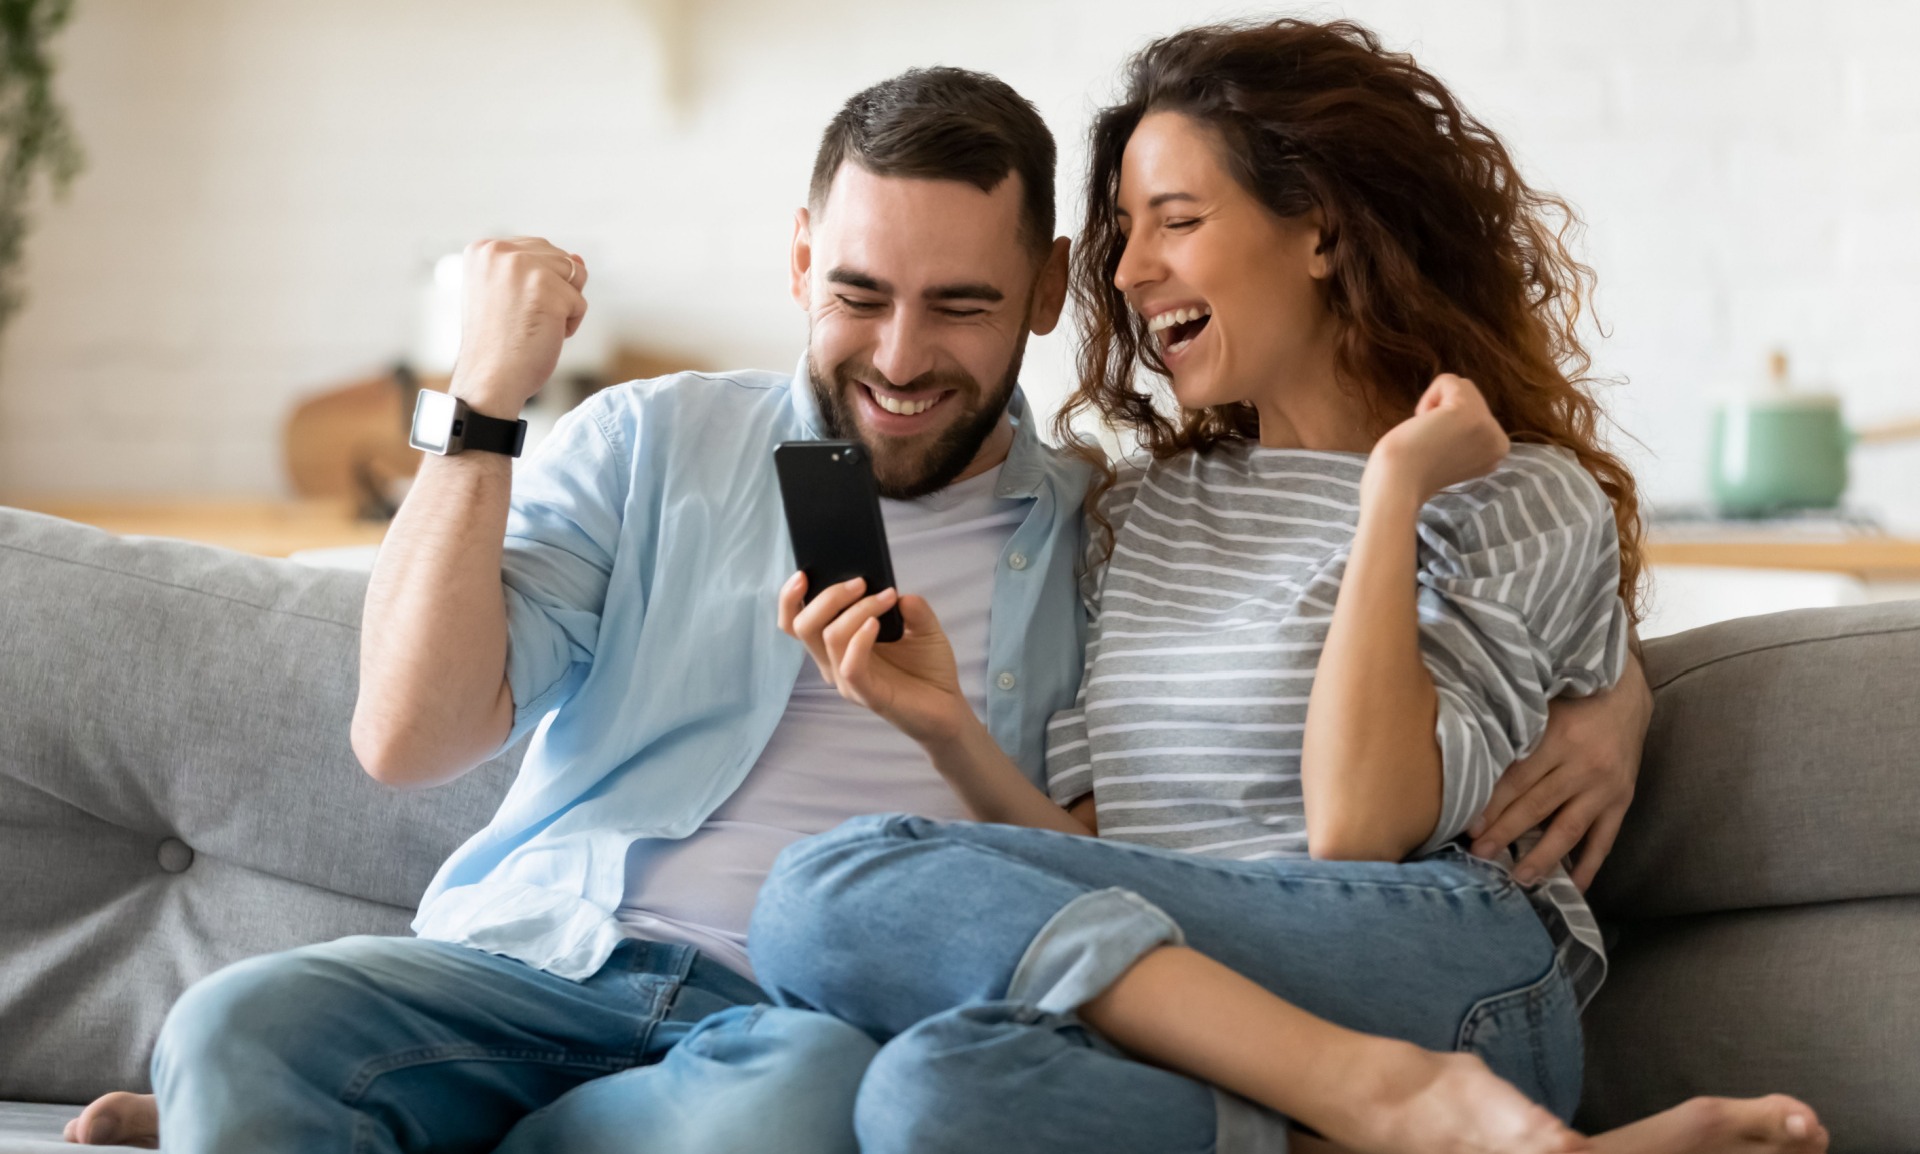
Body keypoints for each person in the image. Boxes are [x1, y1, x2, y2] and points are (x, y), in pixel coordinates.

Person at [65, 66, 1653, 1153]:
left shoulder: (1105, 519)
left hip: (792, 1016)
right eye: (859, 294)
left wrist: (1616, 696)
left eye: (963, 305)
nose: (901, 355)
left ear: (1045, 289)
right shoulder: (651, 443)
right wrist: (478, 402)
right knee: (234, 1029)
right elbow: (407, 734)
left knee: (820, 1101)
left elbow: (1368, 673)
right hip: (540, 961)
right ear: (801, 255)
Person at [760, 20, 1827, 1154]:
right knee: (929, 1092)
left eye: (1175, 220)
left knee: (823, 884)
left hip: (1442, 975)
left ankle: (1396, 1094)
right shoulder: (1141, 510)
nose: (1124, 271)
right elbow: (1104, 865)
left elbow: (1361, 823)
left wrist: (1392, 495)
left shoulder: (1515, 493)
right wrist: (947, 730)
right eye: (1124, 231)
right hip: (1209, 992)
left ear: (1318, 228)